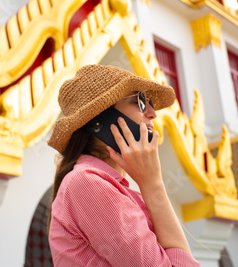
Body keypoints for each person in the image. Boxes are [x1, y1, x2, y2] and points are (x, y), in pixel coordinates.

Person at [47, 64, 200, 266]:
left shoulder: (103, 185)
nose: (153, 113)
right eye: (141, 102)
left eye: (150, 102)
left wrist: (153, 184)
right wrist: (153, 184)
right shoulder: (87, 183)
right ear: (99, 119)